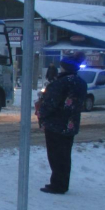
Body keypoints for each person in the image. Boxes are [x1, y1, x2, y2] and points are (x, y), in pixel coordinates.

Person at [37, 52, 88, 195]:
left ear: (64, 67)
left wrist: (41, 114)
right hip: (71, 124)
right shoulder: (81, 83)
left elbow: (50, 104)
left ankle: (57, 185)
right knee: (65, 155)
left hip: (55, 124)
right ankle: (63, 183)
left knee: (55, 155)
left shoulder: (59, 83)